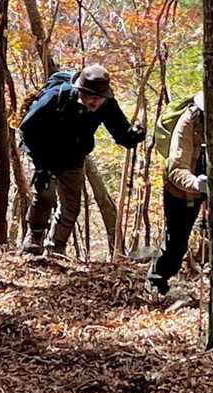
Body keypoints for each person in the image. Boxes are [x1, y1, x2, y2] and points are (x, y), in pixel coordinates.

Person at [18, 64, 145, 256]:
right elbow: (27, 129)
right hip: (45, 154)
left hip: (74, 157)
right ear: (80, 91)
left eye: (100, 97)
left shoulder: (107, 105)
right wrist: (40, 166)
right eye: (91, 96)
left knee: (71, 206)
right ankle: (34, 238)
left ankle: (56, 248)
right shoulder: (55, 98)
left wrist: (134, 135)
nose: (95, 101)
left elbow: (121, 133)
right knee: (45, 195)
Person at [147, 76, 213, 295]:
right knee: (176, 243)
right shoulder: (189, 121)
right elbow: (176, 168)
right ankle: (156, 281)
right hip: (182, 190)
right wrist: (196, 184)